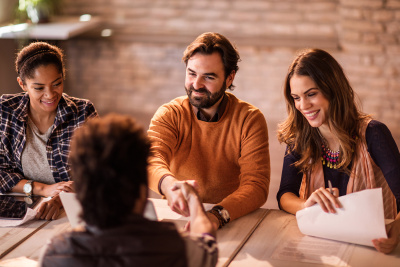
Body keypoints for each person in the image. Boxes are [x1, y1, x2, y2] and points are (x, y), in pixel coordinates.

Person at [40, 114, 218, 267]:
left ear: (82, 191)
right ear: (142, 190)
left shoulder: (55, 254)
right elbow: (207, 243)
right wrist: (193, 199)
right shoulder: (177, 248)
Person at [276, 48, 400, 253]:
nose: (303, 105)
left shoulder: (374, 133)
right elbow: (284, 194)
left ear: (333, 89)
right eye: (296, 97)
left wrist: (397, 226)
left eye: (311, 94)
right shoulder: (299, 137)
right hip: (321, 248)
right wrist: (306, 205)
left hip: (373, 249)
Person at [148, 32, 270, 230]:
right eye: (192, 73)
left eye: (209, 77)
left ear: (229, 78)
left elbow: (256, 186)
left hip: (229, 216)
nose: (196, 84)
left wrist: (215, 216)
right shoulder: (170, 113)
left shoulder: (250, 119)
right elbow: (149, 159)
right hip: (178, 215)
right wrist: (170, 186)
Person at [0, 41, 98, 220]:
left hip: (74, 208)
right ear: (22, 84)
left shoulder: (83, 112)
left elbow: (98, 171)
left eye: (57, 83)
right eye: (39, 88)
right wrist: (43, 189)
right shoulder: (5, 111)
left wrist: (60, 198)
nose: (50, 94)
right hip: (21, 213)